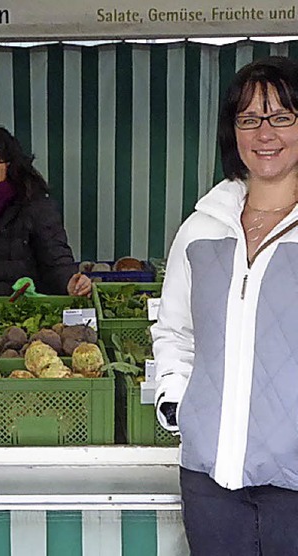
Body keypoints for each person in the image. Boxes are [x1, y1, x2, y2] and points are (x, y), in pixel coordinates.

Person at [152, 56, 298, 555]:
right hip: (210, 478)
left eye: (281, 116)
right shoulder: (201, 228)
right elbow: (174, 331)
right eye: (249, 118)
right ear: (232, 132)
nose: (265, 133)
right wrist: (177, 401)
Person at [0, 126, 90, 309]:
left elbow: (55, 258)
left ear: (8, 166)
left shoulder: (33, 207)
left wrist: (71, 281)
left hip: (15, 320)